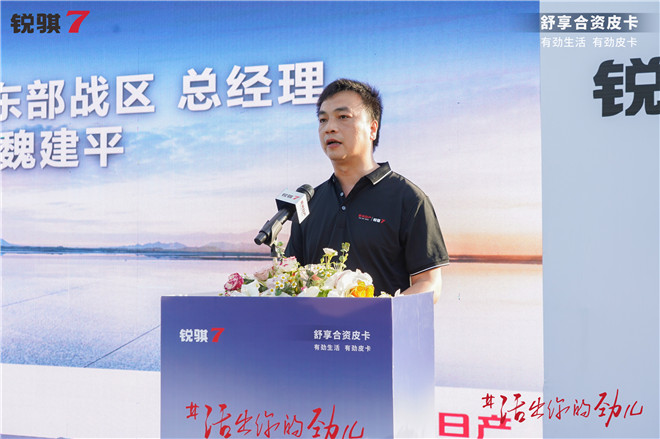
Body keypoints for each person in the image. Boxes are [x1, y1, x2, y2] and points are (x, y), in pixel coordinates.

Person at [285, 78, 449, 301]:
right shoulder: (309, 203)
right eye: (323, 120)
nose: (329, 127)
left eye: (343, 117)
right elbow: (290, 280)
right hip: (313, 325)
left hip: (379, 324)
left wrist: (381, 312)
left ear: (372, 128)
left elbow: (429, 283)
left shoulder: (409, 199)